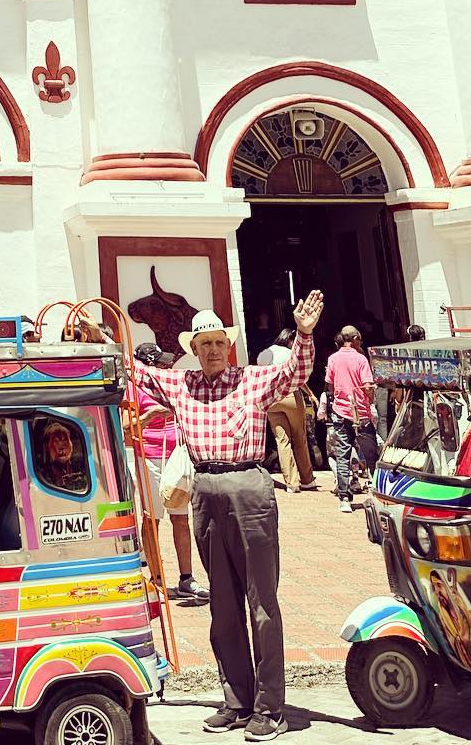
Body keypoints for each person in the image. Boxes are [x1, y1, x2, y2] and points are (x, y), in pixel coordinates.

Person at [132, 289, 324, 741]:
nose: (213, 350)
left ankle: (270, 707)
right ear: (193, 351)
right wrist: (99, 338)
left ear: (228, 345)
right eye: (205, 344)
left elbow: (297, 371)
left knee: (261, 600)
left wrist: (304, 333)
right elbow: (132, 372)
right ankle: (237, 700)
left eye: (219, 341)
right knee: (222, 601)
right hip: (204, 489)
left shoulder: (253, 380)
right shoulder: (181, 384)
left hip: (249, 488)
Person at [132, 344, 207, 600]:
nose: (167, 367)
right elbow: (124, 426)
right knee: (152, 519)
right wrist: (151, 415)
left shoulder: (174, 385)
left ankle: (187, 577)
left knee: (180, 516)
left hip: (177, 457)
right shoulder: (135, 388)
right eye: (161, 364)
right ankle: (157, 579)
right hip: (150, 456)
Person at [324, 326, 376, 513]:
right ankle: (378, 491)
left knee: (343, 455)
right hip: (360, 413)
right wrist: (371, 399)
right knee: (371, 455)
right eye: (359, 339)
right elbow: (368, 385)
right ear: (354, 338)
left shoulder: (333, 358)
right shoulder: (361, 359)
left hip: (340, 411)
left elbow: (329, 385)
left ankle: (344, 497)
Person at [257, 330, 316, 494]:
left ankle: (291, 483)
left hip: (271, 400)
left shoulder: (264, 354)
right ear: (290, 339)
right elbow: (299, 378)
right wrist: (310, 394)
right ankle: (307, 479)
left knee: (282, 440)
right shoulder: (290, 353)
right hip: (290, 395)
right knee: (299, 437)